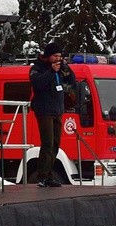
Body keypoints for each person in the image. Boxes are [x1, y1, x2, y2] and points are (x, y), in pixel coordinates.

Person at [30, 42, 76, 187]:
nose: (58, 58)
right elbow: (37, 83)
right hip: (44, 110)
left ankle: (49, 174)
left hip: (57, 110)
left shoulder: (60, 68)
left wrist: (65, 67)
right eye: (55, 56)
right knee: (47, 143)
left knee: (56, 144)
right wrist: (51, 71)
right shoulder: (37, 68)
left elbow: (72, 80)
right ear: (48, 56)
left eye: (60, 56)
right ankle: (42, 175)